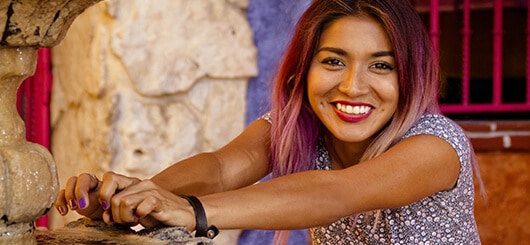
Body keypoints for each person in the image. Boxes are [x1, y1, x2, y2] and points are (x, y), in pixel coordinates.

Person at [55, 0, 484, 244]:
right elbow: (221, 168)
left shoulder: (436, 145)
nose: (353, 86)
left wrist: (191, 212)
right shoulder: (299, 125)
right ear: (303, 71)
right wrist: (134, 197)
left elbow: (338, 192)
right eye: (334, 61)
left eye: (382, 66)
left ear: (411, 77)